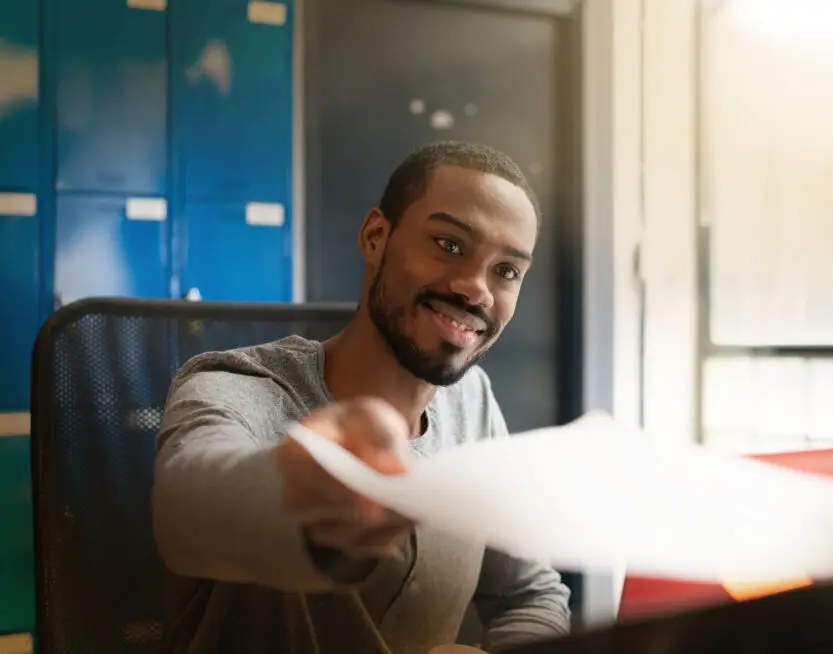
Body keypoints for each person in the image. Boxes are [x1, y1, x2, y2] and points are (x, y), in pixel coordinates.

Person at [152, 141, 572, 654]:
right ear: (377, 237)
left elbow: (530, 593)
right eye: (450, 245)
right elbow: (185, 510)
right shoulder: (236, 384)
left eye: (506, 271)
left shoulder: (472, 400)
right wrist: (305, 483)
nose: (476, 290)